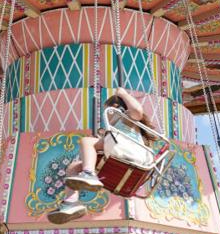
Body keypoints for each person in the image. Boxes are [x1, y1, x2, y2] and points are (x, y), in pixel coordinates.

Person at [51, 89, 162, 222]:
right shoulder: (116, 129)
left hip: (132, 152)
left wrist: (123, 94)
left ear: (116, 108)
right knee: (73, 168)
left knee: (86, 141)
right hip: (122, 152)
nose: (107, 118)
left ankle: (89, 173)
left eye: (107, 111)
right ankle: (71, 202)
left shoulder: (126, 120)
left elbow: (137, 110)